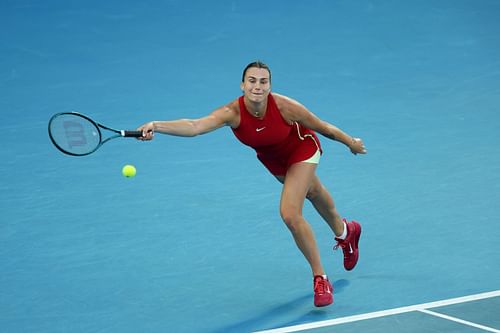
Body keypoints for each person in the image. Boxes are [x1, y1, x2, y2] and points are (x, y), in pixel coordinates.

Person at [137, 61, 367, 307]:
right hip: (273, 159)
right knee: (313, 191)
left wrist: (350, 142)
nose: (258, 86)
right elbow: (195, 126)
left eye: (263, 81)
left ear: (270, 85)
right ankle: (346, 231)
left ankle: (320, 278)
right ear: (243, 85)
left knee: (290, 213)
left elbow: (324, 127)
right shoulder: (232, 113)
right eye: (252, 81)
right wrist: (157, 125)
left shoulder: (285, 107)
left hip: (302, 148)